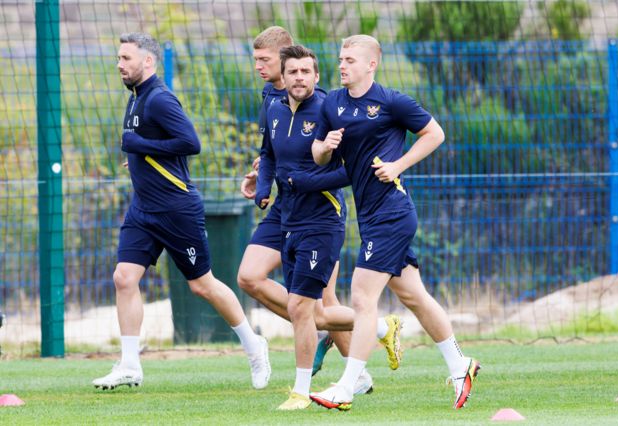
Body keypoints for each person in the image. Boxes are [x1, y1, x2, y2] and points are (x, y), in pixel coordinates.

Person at [309, 35, 480, 411]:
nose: (342, 65)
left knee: (362, 298)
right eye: (340, 59)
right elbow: (318, 155)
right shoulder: (332, 104)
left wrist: (398, 165)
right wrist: (325, 146)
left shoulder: (391, 102)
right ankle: (460, 365)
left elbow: (435, 134)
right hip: (369, 214)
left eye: (350, 60)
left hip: (393, 211)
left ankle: (346, 387)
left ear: (372, 64)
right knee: (413, 296)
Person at [92, 32, 270, 391]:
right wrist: (137, 160)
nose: (119, 64)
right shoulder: (135, 98)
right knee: (124, 278)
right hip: (143, 208)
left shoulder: (159, 98)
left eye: (126, 58)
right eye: (118, 57)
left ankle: (254, 345)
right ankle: (130, 365)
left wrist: (138, 146)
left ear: (148, 62)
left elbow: (191, 143)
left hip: (176, 208)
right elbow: (154, 147)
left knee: (201, 285)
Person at [238, 27, 401, 386]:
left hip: (320, 213)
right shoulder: (271, 100)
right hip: (285, 207)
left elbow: (348, 165)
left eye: (264, 60)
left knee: (321, 307)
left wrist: (305, 178)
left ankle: (357, 369)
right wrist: (262, 184)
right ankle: (366, 333)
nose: (258, 67)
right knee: (252, 278)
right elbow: (270, 152)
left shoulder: (328, 106)